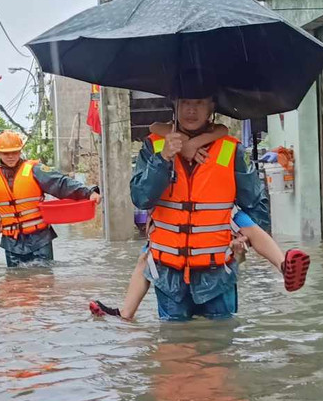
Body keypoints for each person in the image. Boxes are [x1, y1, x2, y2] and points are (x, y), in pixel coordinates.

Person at [110, 96, 308, 321]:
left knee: (220, 344)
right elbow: (141, 198)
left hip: (218, 275)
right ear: (174, 105)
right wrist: (164, 157)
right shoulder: (154, 145)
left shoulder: (231, 149)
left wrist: (245, 243)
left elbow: (254, 203)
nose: (191, 110)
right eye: (185, 102)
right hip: (169, 275)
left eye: (199, 103)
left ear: (212, 107)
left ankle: (284, 267)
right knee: (173, 346)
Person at [0, 130, 100, 267]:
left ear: (21, 151)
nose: (10, 156)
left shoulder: (35, 169)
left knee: (43, 280)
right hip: (12, 242)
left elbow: (61, 183)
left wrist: (88, 192)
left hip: (39, 238)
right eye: (6, 153)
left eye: (15, 152)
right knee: (15, 283)